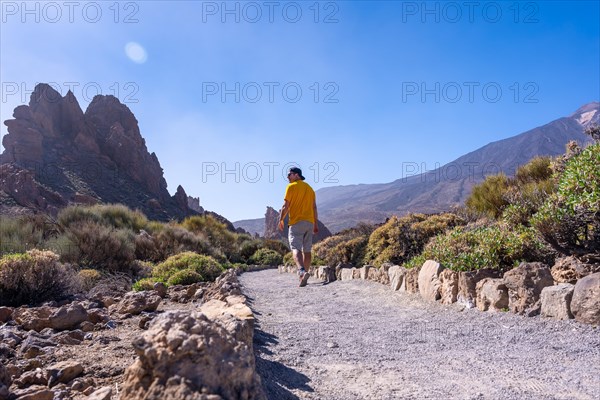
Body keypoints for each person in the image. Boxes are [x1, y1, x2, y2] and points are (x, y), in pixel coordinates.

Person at [278, 167, 319, 287]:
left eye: (289, 174)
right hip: (309, 222)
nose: (288, 177)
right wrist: (315, 224)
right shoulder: (310, 189)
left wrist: (281, 219)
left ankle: (301, 271)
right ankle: (303, 277)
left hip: (296, 222)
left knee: (295, 248)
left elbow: (286, 205)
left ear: (297, 175)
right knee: (307, 250)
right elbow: (314, 208)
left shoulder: (291, 187)